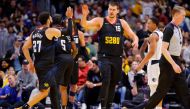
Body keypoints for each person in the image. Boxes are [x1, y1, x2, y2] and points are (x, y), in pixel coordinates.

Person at [81, 1, 139, 108]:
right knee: (106, 79)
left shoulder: (122, 23)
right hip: (104, 57)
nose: (111, 11)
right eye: (109, 9)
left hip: (117, 58)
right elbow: (84, 24)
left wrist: (135, 40)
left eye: (113, 9)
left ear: (117, 11)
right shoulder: (101, 21)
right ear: (108, 9)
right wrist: (84, 15)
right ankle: (102, 105)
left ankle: (108, 105)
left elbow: (133, 35)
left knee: (113, 83)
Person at [145, 6, 190, 109]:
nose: (184, 17)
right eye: (183, 15)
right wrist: (174, 64)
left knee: (184, 90)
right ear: (176, 15)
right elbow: (164, 49)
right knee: (160, 92)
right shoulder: (169, 28)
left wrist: (177, 62)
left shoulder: (178, 28)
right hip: (167, 62)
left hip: (175, 60)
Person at [18, 11, 62, 109]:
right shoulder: (50, 31)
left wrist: (30, 62)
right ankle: (26, 106)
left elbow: (24, 48)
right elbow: (63, 34)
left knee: (54, 88)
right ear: (48, 19)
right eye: (50, 17)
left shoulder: (34, 32)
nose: (51, 18)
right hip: (46, 66)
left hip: (40, 64)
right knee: (44, 92)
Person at [51, 10, 77, 109]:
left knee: (55, 85)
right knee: (64, 87)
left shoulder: (51, 31)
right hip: (69, 58)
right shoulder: (67, 31)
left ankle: (56, 107)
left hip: (59, 59)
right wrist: (70, 58)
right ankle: (64, 107)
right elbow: (75, 49)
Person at [136, 17, 163, 109]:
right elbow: (142, 51)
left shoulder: (153, 36)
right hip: (160, 64)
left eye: (149, 23)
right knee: (158, 90)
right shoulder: (161, 34)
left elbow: (151, 52)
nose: (147, 25)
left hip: (155, 64)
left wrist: (141, 64)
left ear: (155, 24)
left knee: (154, 90)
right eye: (147, 23)